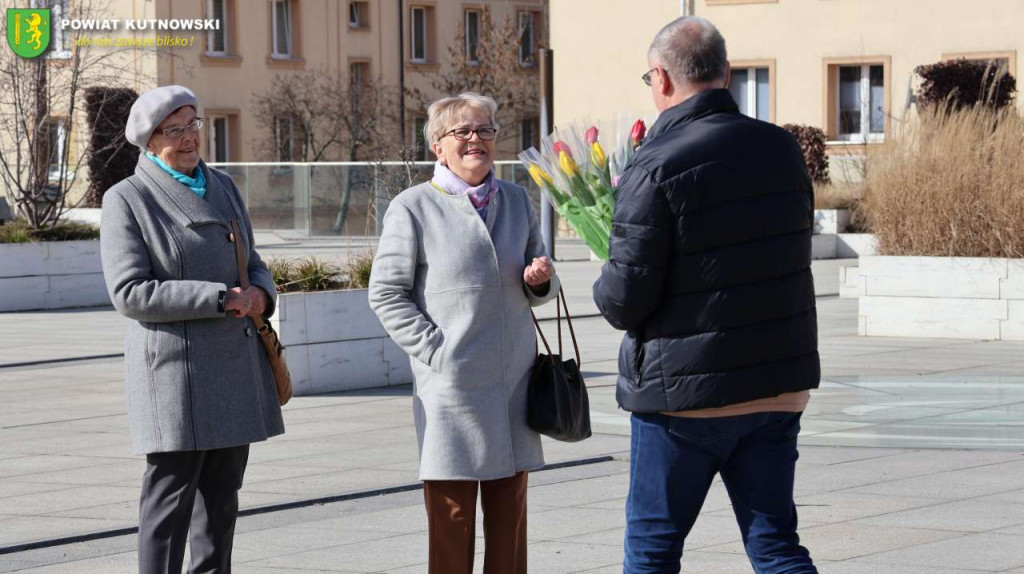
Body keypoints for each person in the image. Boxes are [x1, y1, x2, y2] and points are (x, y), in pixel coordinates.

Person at [592, 17, 820, 574]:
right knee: (776, 546)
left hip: (682, 398)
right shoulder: (782, 148)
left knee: (652, 549)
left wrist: (605, 276)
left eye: (649, 76)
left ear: (663, 78)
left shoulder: (654, 163)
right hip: (775, 386)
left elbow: (625, 300)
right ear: (723, 72)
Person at [368, 92, 559, 574]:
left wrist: (541, 281)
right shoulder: (412, 207)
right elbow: (386, 294)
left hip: (513, 383)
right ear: (438, 145)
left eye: (486, 131)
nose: (477, 140)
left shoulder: (516, 199)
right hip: (452, 390)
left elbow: (541, 284)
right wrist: (438, 352)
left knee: (509, 522)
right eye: (463, 132)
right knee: (451, 524)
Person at [100, 85, 284, 574]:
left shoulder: (222, 185)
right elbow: (130, 292)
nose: (188, 138)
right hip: (175, 376)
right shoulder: (128, 198)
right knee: (169, 507)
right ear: (150, 140)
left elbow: (254, 260)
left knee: (221, 507)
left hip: (233, 365)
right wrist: (220, 299)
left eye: (193, 125)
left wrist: (261, 294)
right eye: (174, 129)